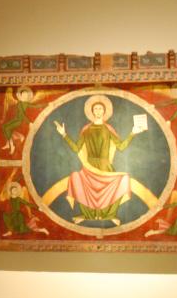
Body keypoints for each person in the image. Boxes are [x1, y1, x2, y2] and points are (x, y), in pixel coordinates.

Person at [53, 94, 143, 225]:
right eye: (96, 109)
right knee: (76, 179)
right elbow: (76, 148)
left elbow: (121, 146)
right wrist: (64, 134)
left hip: (105, 167)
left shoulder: (108, 129)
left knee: (124, 180)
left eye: (101, 109)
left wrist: (133, 133)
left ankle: (109, 214)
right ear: (92, 112)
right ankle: (87, 214)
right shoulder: (86, 130)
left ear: (105, 112)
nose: (98, 111)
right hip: (89, 167)